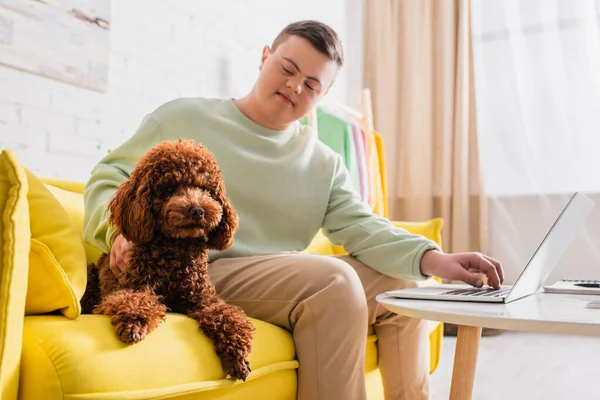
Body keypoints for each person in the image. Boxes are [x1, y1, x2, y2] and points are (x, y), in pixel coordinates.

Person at [83, 20, 504, 400]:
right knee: (333, 281)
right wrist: (116, 230)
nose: (295, 87)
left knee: (401, 286)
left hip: (275, 277)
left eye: (312, 84)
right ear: (265, 57)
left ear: (324, 93)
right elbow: (109, 176)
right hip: (195, 268)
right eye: (287, 69)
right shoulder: (184, 116)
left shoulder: (322, 162)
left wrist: (436, 259)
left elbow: (362, 226)